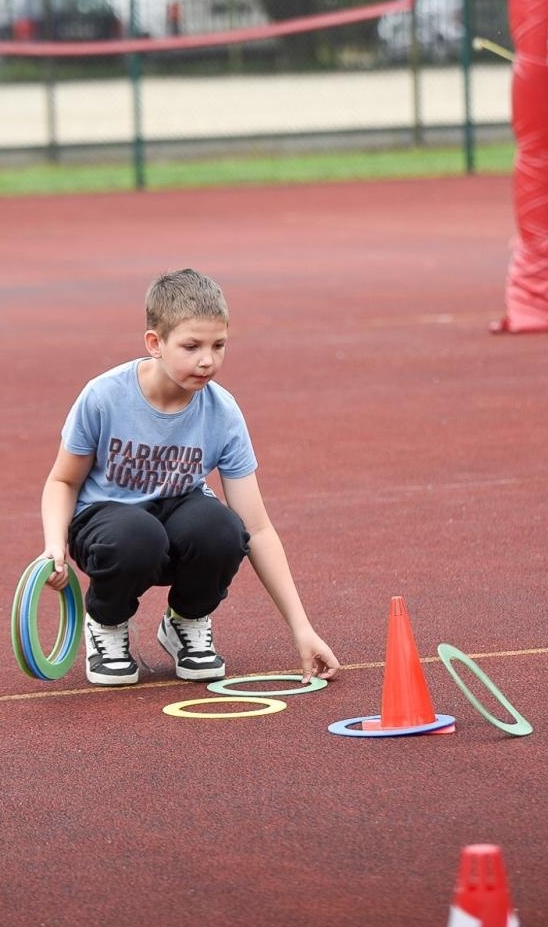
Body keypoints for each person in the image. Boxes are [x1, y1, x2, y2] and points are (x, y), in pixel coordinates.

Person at [39, 268, 340, 687]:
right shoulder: (104, 396)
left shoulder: (222, 411)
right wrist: (53, 547)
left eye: (219, 346)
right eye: (191, 346)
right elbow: (63, 482)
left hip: (176, 516)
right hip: (109, 525)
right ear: (155, 344)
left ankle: (186, 621)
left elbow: (258, 527)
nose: (207, 360)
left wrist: (301, 628)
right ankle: (106, 623)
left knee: (222, 529)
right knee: (137, 535)